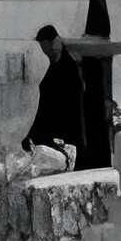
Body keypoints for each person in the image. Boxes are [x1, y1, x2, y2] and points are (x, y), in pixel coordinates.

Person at [23, 24, 87, 162]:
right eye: (42, 45)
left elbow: (67, 103)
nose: (45, 49)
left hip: (65, 132)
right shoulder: (56, 65)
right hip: (55, 129)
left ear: (54, 42)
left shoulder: (69, 67)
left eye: (45, 44)